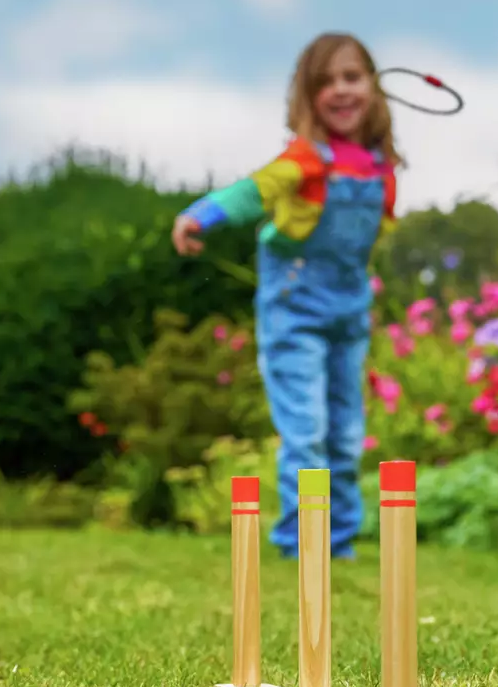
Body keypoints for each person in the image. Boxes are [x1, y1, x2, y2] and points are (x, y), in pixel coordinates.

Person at [171, 33, 401, 560]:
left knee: (346, 434)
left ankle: (338, 542)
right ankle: (303, 540)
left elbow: (370, 241)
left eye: (352, 77)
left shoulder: (380, 169)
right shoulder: (304, 161)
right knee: (307, 430)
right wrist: (200, 215)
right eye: (326, 82)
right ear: (307, 96)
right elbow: (251, 193)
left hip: (349, 310)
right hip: (295, 309)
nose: (341, 91)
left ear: (373, 86)